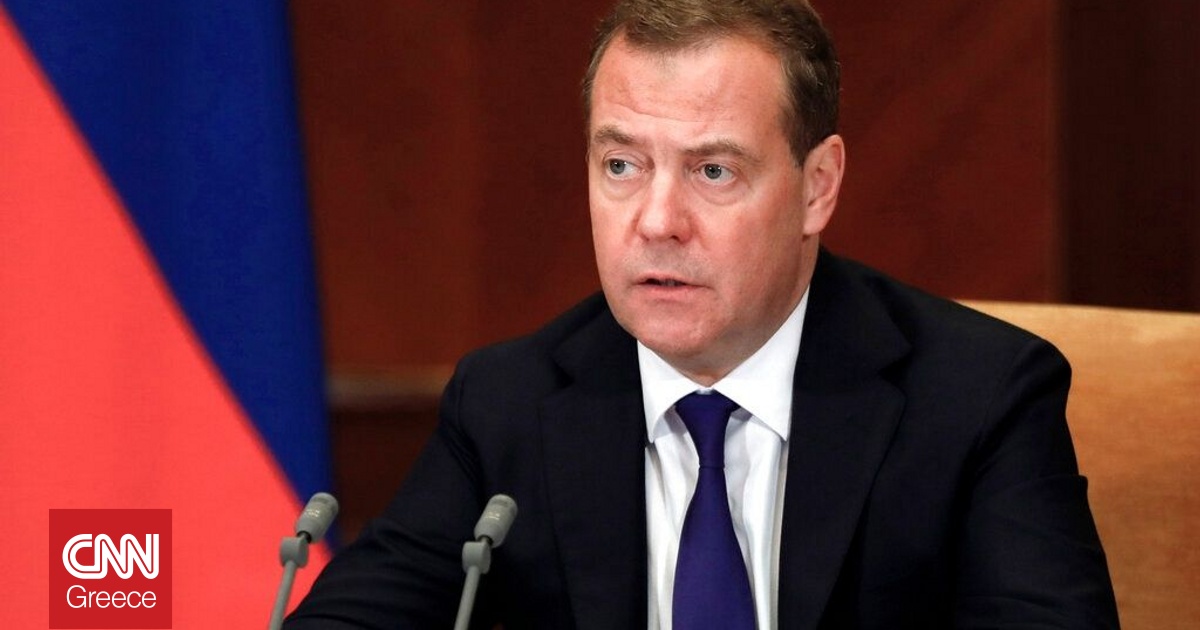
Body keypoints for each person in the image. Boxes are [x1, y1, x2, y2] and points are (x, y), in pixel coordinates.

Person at [286, 0, 1119, 627]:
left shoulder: (978, 399)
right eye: (621, 165)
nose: (656, 221)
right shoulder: (509, 404)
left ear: (817, 187)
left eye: (713, 171)